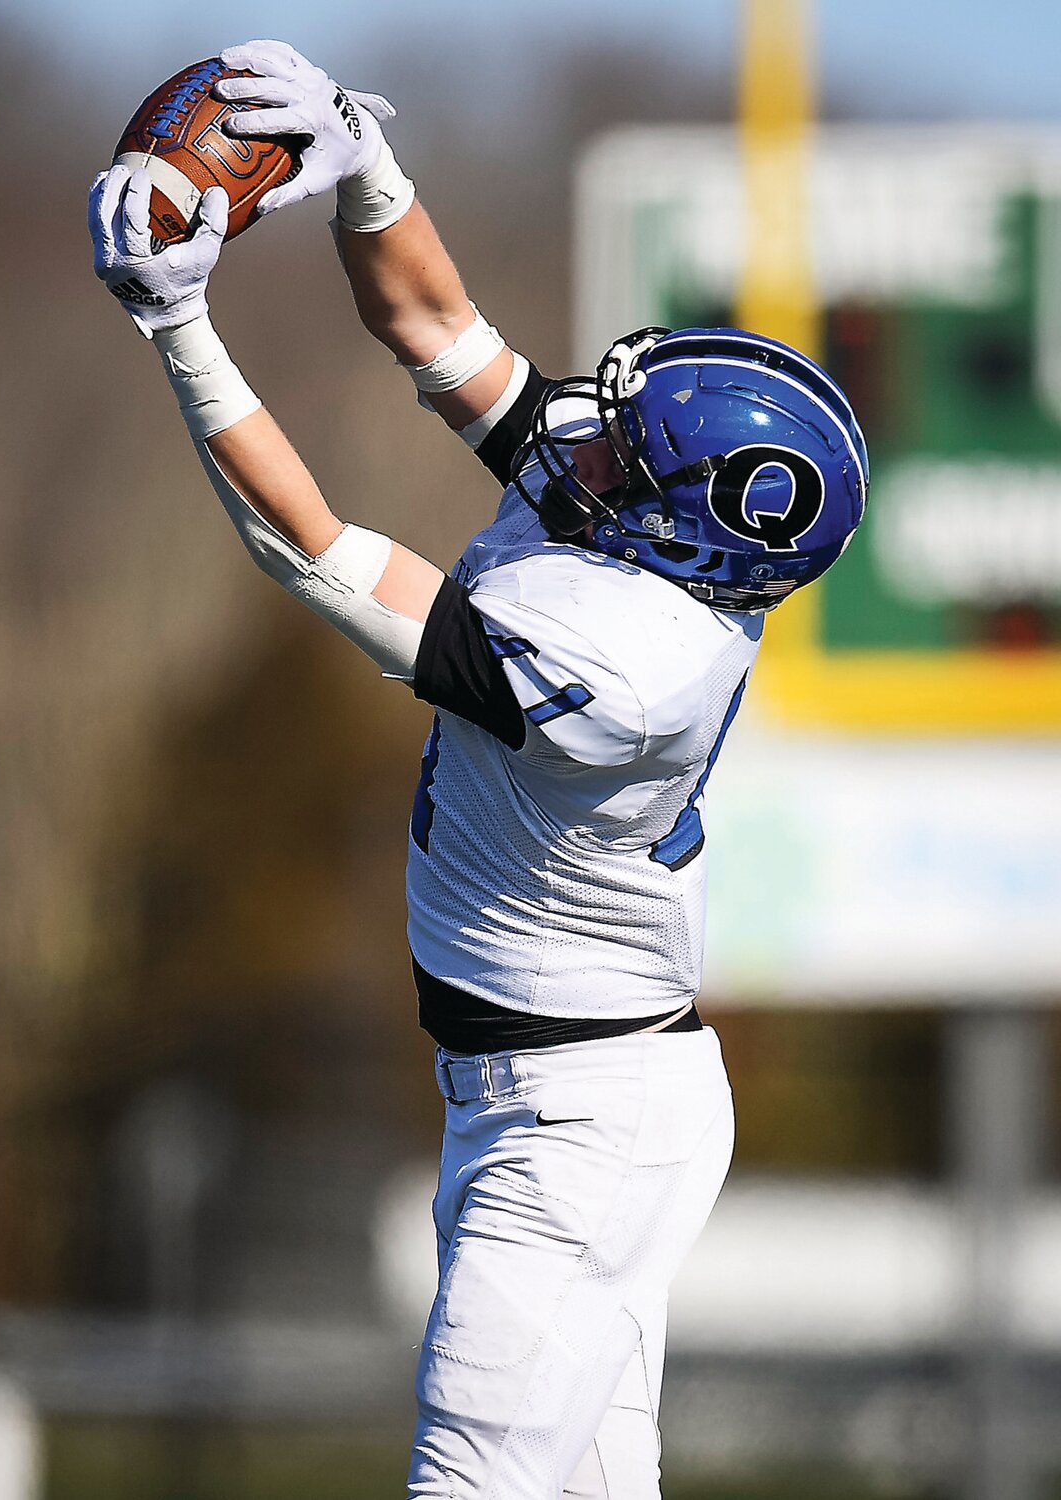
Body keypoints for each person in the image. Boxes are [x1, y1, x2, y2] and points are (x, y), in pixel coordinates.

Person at [88, 39, 867, 1500]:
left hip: (573, 1123)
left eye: (635, 454)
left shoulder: (633, 669)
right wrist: (362, 166)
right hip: (574, 1092)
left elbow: (312, 553)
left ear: (689, 534)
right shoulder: (644, 533)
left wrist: (176, 328)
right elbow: (433, 323)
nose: (597, 438)